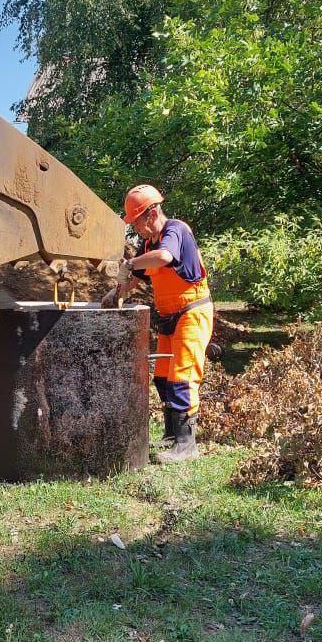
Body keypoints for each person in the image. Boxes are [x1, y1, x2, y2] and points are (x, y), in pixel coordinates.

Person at [102, 184, 213, 464]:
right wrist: (118, 292)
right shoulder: (148, 244)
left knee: (182, 376)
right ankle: (171, 435)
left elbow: (164, 258)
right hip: (168, 315)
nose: (135, 229)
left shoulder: (175, 231)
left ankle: (187, 445)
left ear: (151, 214)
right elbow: (136, 274)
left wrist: (131, 263)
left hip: (191, 312)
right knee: (162, 376)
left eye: (136, 221)